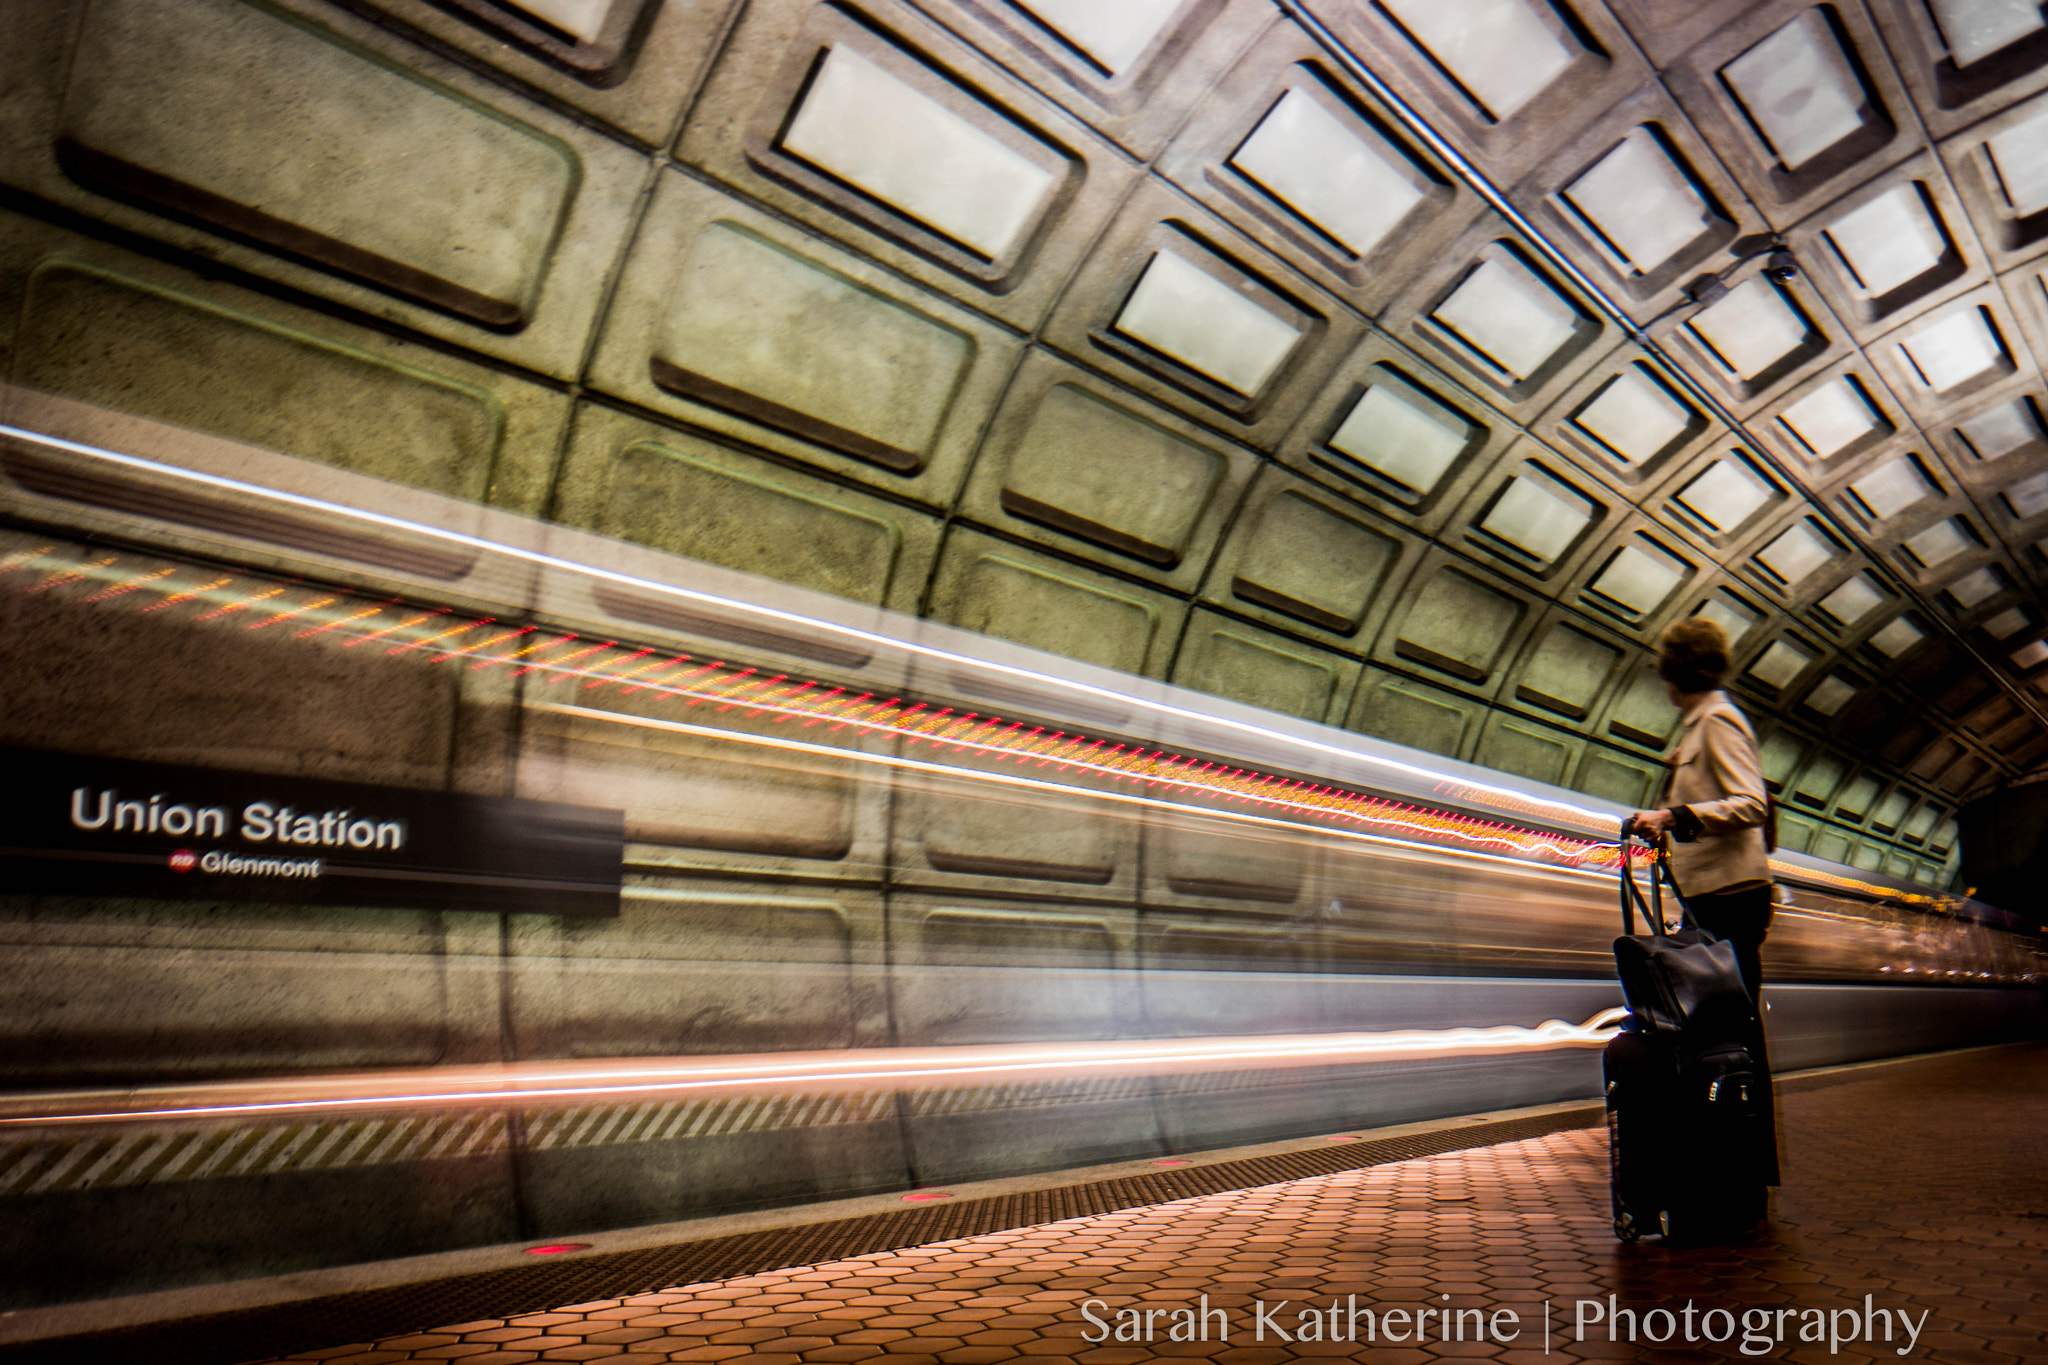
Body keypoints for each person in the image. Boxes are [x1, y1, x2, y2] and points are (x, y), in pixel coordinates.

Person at [1628, 617, 1773, 1001]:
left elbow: (1752, 804)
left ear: (1674, 672)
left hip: (1731, 897)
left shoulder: (1718, 720)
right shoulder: (1699, 726)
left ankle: (1742, 1066)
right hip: (1713, 895)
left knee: (1731, 1019)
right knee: (1720, 1019)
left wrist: (1672, 817)